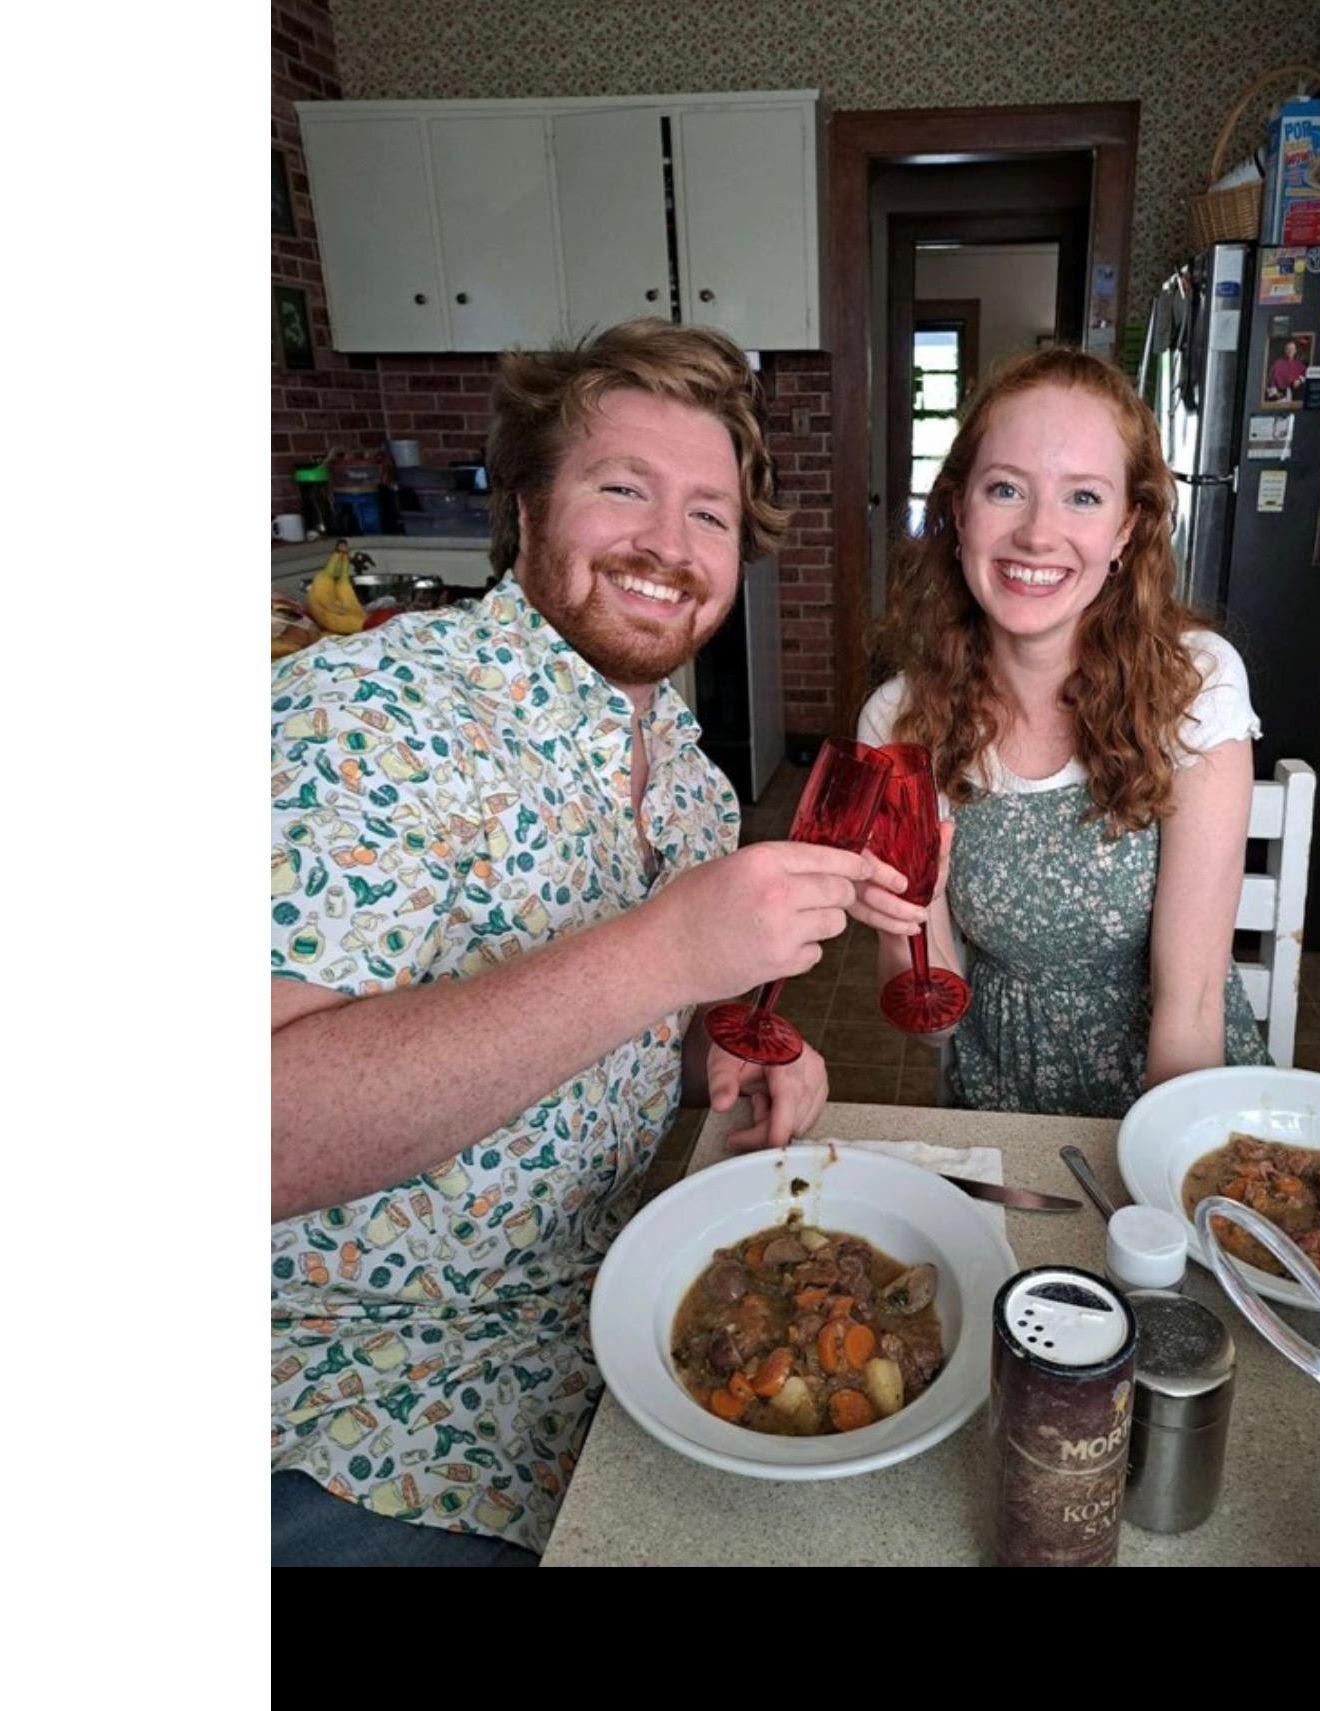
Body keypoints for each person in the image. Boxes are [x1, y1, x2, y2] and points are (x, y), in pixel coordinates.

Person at [270, 321, 919, 1565]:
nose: (667, 546)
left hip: (614, 1331)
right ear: (525, 510)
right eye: (622, 488)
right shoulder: (365, 713)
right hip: (349, 1408)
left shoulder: (686, 781)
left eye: (710, 516)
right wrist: (666, 953)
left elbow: (607, 1049)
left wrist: (720, 1064)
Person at [855, 346, 1269, 1118]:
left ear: (1126, 528)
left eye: (1082, 497)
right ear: (958, 510)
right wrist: (908, 918)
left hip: (1179, 1095)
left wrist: (1153, 1189)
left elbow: (1190, 1006)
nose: (1038, 534)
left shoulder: (1194, 685)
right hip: (995, 1106)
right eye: (1005, 489)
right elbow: (934, 1025)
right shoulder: (898, 720)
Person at [1265, 337, 1307, 404]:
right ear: (1285, 350)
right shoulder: (1277, 364)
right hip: (1279, 397)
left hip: (1296, 397)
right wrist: (1279, 396)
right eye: (1288, 349)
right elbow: (1271, 384)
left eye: (1292, 349)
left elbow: (1305, 376)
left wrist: (1300, 380)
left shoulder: (1300, 365)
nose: (1290, 351)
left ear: (1295, 351)